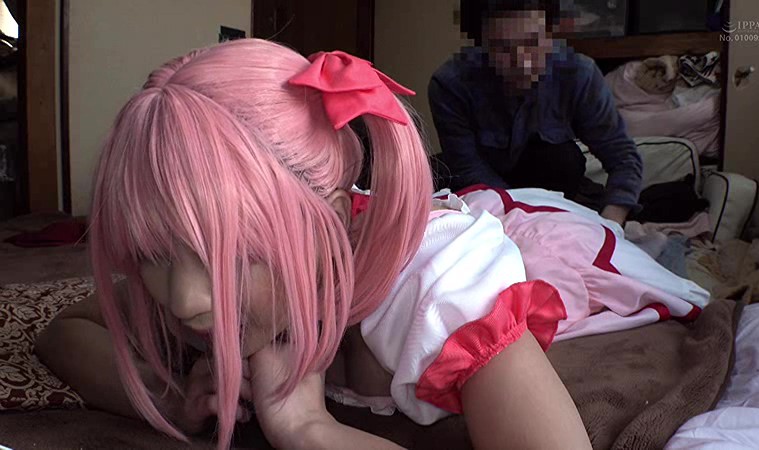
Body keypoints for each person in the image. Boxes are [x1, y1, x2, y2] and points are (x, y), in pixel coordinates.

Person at [36, 39, 708, 450]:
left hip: (538, 230)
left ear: (327, 220)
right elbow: (63, 332)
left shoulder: (437, 288)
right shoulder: (201, 287)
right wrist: (174, 401)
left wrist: (310, 431)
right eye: (154, 252)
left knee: (630, 251)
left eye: (235, 254)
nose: (184, 299)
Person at [429, 0, 643, 225]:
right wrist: (521, 218)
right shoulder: (451, 84)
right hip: (485, 193)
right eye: (503, 48)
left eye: (533, 43)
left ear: (550, 35)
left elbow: (622, 156)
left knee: (562, 159)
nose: (523, 63)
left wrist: (612, 222)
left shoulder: (578, 74)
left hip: (552, 185)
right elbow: (468, 169)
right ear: (482, 45)